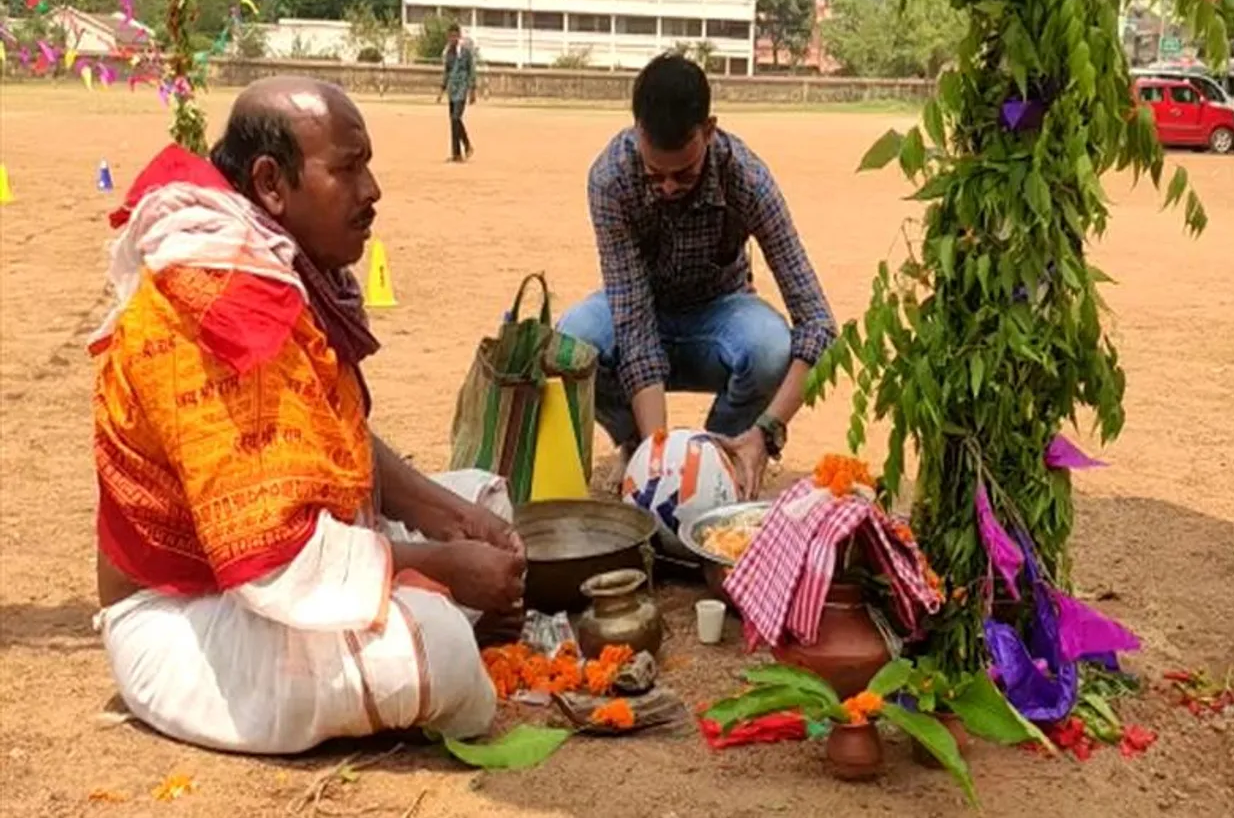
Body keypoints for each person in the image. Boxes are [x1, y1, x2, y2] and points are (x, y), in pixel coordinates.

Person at [90, 77, 524, 755]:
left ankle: (429, 593)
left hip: (281, 571)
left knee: (485, 498)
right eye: (349, 168)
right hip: (189, 614)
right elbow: (269, 556)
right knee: (439, 651)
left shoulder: (269, 260)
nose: (373, 190)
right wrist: (441, 561)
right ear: (270, 183)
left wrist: (449, 515)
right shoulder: (219, 303)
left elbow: (321, 424)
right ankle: (435, 618)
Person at [557, 53, 837, 499]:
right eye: (655, 175)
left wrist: (767, 432)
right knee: (573, 342)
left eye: (683, 174)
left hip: (720, 320)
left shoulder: (747, 180)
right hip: (641, 314)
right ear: (637, 132)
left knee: (769, 347)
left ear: (709, 130)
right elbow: (632, 325)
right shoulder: (610, 179)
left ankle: (726, 453)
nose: (667, 187)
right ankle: (635, 445)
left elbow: (819, 325)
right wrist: (658, 462)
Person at [438, 23, 476, 162]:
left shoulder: (465, 52)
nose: (452, 39)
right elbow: (446, 72)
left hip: (462, 89)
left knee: (456, 118)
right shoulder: (448, 53)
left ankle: (467, 144)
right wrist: (441, 90)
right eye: (450, 36)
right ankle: (456, 154)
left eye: (455, 36)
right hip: (452, 90)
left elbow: (471, 70)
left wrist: (472, 90)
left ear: (459, 36)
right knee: (453, 121)